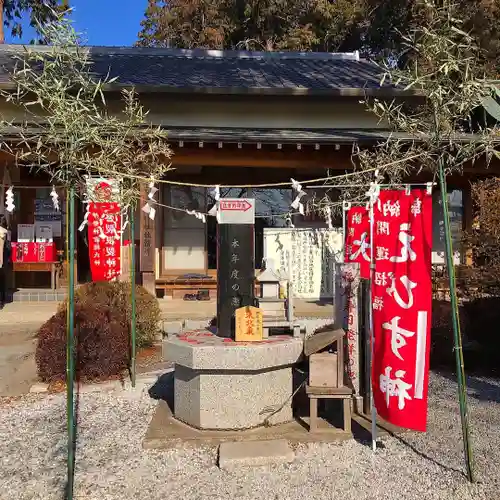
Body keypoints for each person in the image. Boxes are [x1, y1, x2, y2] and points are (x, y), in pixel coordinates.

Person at [0, 215, 11, 309]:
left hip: (1, 259)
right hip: (3, 259)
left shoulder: (2, 232)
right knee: (2, 280)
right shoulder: (4, 231)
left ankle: (1, 301)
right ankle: (2, 300)